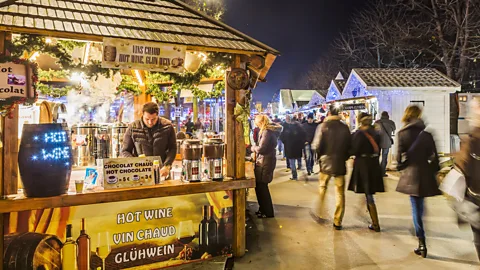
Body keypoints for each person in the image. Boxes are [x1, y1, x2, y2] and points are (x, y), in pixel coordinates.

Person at [396, 105, 441, 258]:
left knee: (416, 207)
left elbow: (399, 161)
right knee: (420, 207)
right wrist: (431, 170)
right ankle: (419, 231)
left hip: (411, 175)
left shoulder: (402, 134)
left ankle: (421, 242)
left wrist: (404, 167)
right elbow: (435, 159)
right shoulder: (427, 134)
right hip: (425, 173)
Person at [312, 104, 352, 230]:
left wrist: (319, 157)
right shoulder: (345, 128)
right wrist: (344, 157)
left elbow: (316, 146)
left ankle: (319, 212)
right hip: (340, 164)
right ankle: (338, 221)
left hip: (325, 164)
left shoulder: (322, 126)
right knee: (340, 193)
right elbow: (349, 147)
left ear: (329, 113)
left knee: (322, 188)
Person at [348, 113, 384, 232]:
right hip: (374, 164)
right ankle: (374, 221)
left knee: (368, 193)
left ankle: (375, 223)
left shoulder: (359, 134)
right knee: (370, 192)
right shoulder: (376, 133)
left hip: (364, 165)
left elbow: (354, 149)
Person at [121, 102, 176, 178]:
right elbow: (125, 151)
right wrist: (134, 163)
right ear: (142, 115)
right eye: (147, 119)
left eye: (153, 119)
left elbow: (172, 148)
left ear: (158, 115)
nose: (150, 122)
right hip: (139, 172)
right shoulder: (133, 127)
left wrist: (167, 165)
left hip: (162, 171)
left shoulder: (167, 127)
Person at [455, 98, 480, 261]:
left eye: (475, 109)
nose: (471, 114)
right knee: (478, 240)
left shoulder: (473, 139)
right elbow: (462, 168)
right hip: (474, 199)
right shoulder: (471, 139)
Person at [252, 115, 283, 218]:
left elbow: (262, 149)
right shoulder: (270, 131)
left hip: (265, 161)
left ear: (261, 123)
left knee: (262, 187)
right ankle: (263, 209)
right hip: (266, 160)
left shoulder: (266, 132)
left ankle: (267, 212)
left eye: (257, 124)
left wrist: (254, 148)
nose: (257, 126)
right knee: (261, 187)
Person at [280, 114, 306, 180]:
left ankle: (294, 175)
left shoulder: (286, 128)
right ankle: (299, 166)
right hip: (297, 146)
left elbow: (282, 136)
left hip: (289, 147)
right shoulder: (299, 127)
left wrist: (285, 142)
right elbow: (303, 135)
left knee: (292, 162)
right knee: (298, 157)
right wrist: (302, 144)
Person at [375, 111, 396, 176]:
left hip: (377, 142)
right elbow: (393, 130)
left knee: (376, 157)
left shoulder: (377, 122)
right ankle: (382, 172)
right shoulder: (391, 123)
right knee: (384, 157)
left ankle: (376, 171)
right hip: (387, 142)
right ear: (388, 116)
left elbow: (374, 131)